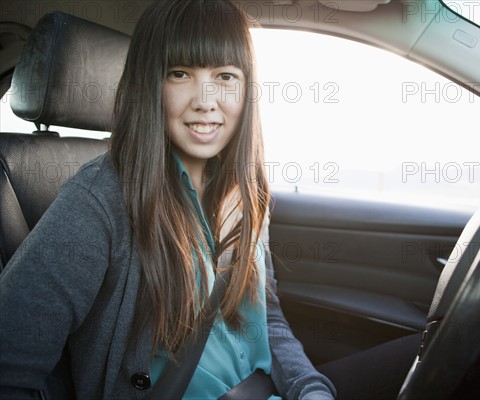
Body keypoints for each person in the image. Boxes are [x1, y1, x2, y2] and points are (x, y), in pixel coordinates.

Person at [0, 1, 337, 399]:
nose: (206, 100)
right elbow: (10, 363)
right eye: (180, 74)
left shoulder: (245, 192)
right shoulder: (99, 200)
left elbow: (266, 317)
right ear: (149, 84)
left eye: (225, 76)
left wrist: (311, 388)